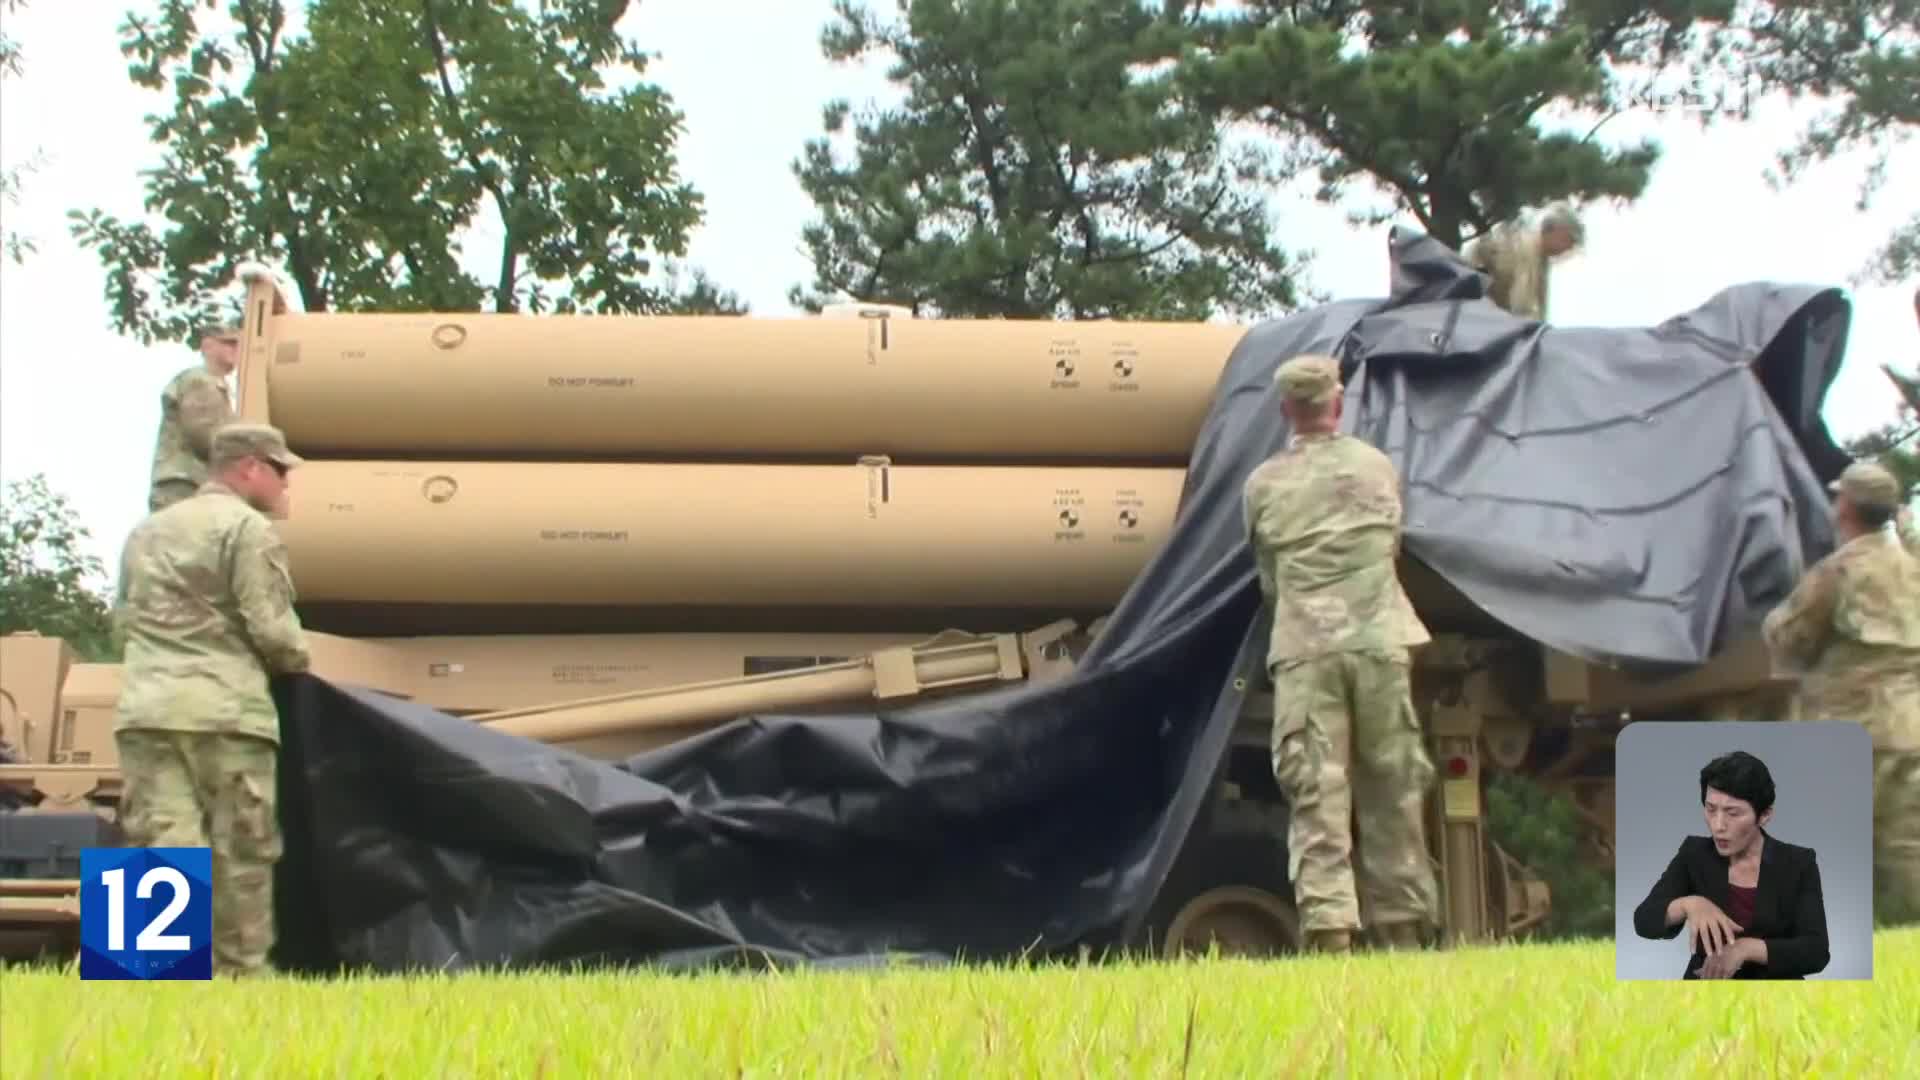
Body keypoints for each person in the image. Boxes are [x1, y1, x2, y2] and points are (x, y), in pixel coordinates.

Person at [1242, 353, 1440, 954]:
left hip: (1306, 651)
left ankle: (1331, 936)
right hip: (1381, 644)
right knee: (1393, 791)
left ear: (1286, 411)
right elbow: (1392, 548)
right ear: (1336, 402)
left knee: (1317, 797)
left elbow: (1269, 580)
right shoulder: (1377, 469)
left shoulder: (1264, 485)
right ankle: (1403, 933)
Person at [113, 421, 311, 977]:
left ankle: (141, 982)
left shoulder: (146, 530)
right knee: (241, 853)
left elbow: (121, 621)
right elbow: (272, 630)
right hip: (226, 712)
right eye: (279, 471)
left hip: (145, 710)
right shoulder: (246, 529)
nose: (284, 484)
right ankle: (241, 982)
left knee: (156, 845)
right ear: (248, 467)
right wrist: (300, 664)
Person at [1762, 460, 1920, 924]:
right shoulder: (1913, 570)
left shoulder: (1839, 572)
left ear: (1845, 507)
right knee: (1909, 847)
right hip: (1911, 727)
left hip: (1849, 732)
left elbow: (1790, 636)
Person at [1630, 751, 1829, 979]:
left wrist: (1744, 949)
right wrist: (1691, 904)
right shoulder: (1694, 854)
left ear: (1764, 815)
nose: (1718, 825)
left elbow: (1816, 952)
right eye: (1710, 809)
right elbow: (1643, 920)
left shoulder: (1798, 863)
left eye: (1732, 813)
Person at [147, 324, 240, 512]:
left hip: (192, 482)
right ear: (207, 346)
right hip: (184, 481)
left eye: (238, 345)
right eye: (229, 343)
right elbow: (204, 436)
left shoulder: (215, 385)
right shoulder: (200, 380)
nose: (236, 350)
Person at [1462, 202, 1583, 320]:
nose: (1570, 247)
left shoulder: (1540, 261)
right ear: (1554, 229)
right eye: (1570, 238)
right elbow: (1522, 310)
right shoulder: (1525, 249)